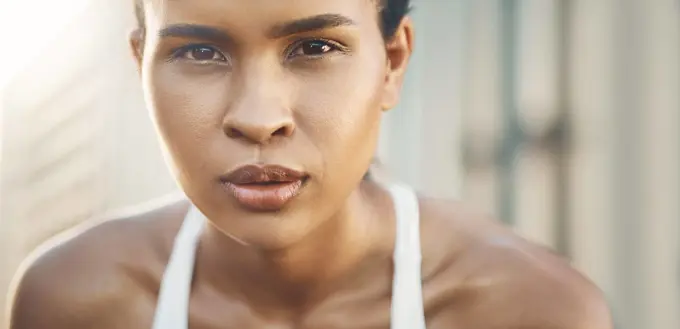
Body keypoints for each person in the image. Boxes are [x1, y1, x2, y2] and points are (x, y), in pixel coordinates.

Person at [7, 0, 613, 328]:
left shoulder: (525, 312)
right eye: (198, 50)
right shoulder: (77, 301)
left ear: (392, 62)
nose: (258, 116)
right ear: (140, 64)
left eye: (315, 47)